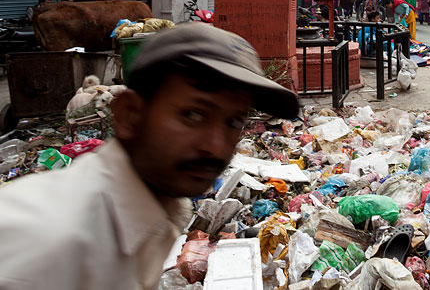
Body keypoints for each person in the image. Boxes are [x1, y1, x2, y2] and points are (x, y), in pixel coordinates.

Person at [0, 23, 299, 289]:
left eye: (234, 122)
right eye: (193, 114)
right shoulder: (45, 244)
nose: (216, 146)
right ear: (129, 115)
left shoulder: (155, 219)